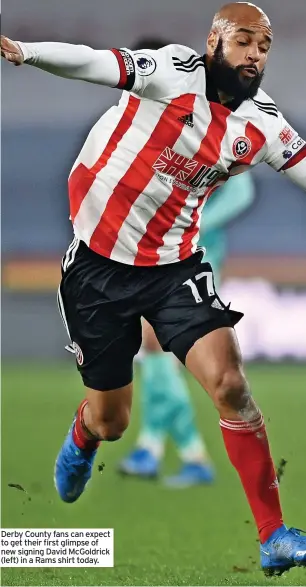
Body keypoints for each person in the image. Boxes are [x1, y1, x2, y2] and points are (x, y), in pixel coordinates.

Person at [2, 2, 306, 576]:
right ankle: (85, 431)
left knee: (230, 384)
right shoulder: (170, 71)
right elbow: (94, 63)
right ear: (215, 40)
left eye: (264, 47)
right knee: (113, 419)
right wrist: (25, 51)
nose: (254, 56)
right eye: (244, 42)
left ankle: (273, 536)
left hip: (175, 269)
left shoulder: (263, 125)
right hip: (98, 269)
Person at [119, 171, 255, 487]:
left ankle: (177, 452)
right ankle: (157, 448)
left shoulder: (216, 143)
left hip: (195, 261)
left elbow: (243, 191)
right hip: (164, 259)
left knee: (159, 345)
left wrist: (195, 225)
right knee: (156, 347)